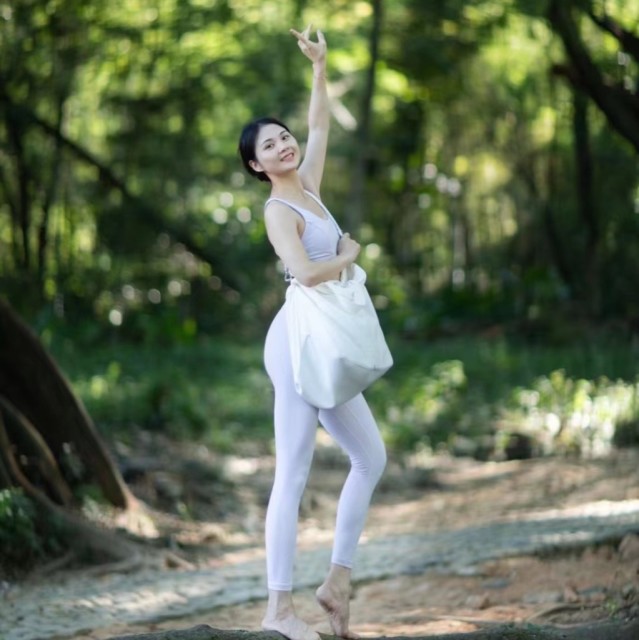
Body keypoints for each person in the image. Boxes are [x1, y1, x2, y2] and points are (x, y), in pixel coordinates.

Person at [238, 26, 387, 640]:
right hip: (296, 343)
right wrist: (348, 256)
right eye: (269, 146)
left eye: (284, 137)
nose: (284, 145)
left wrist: (320, 68)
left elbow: (320, 126)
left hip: (321, 338)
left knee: (371, 457)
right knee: (293, 472)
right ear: (257, 165)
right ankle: (278, 611)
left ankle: (337, 584)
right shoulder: (278, 210)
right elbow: (302, 272)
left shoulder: (312, 193)